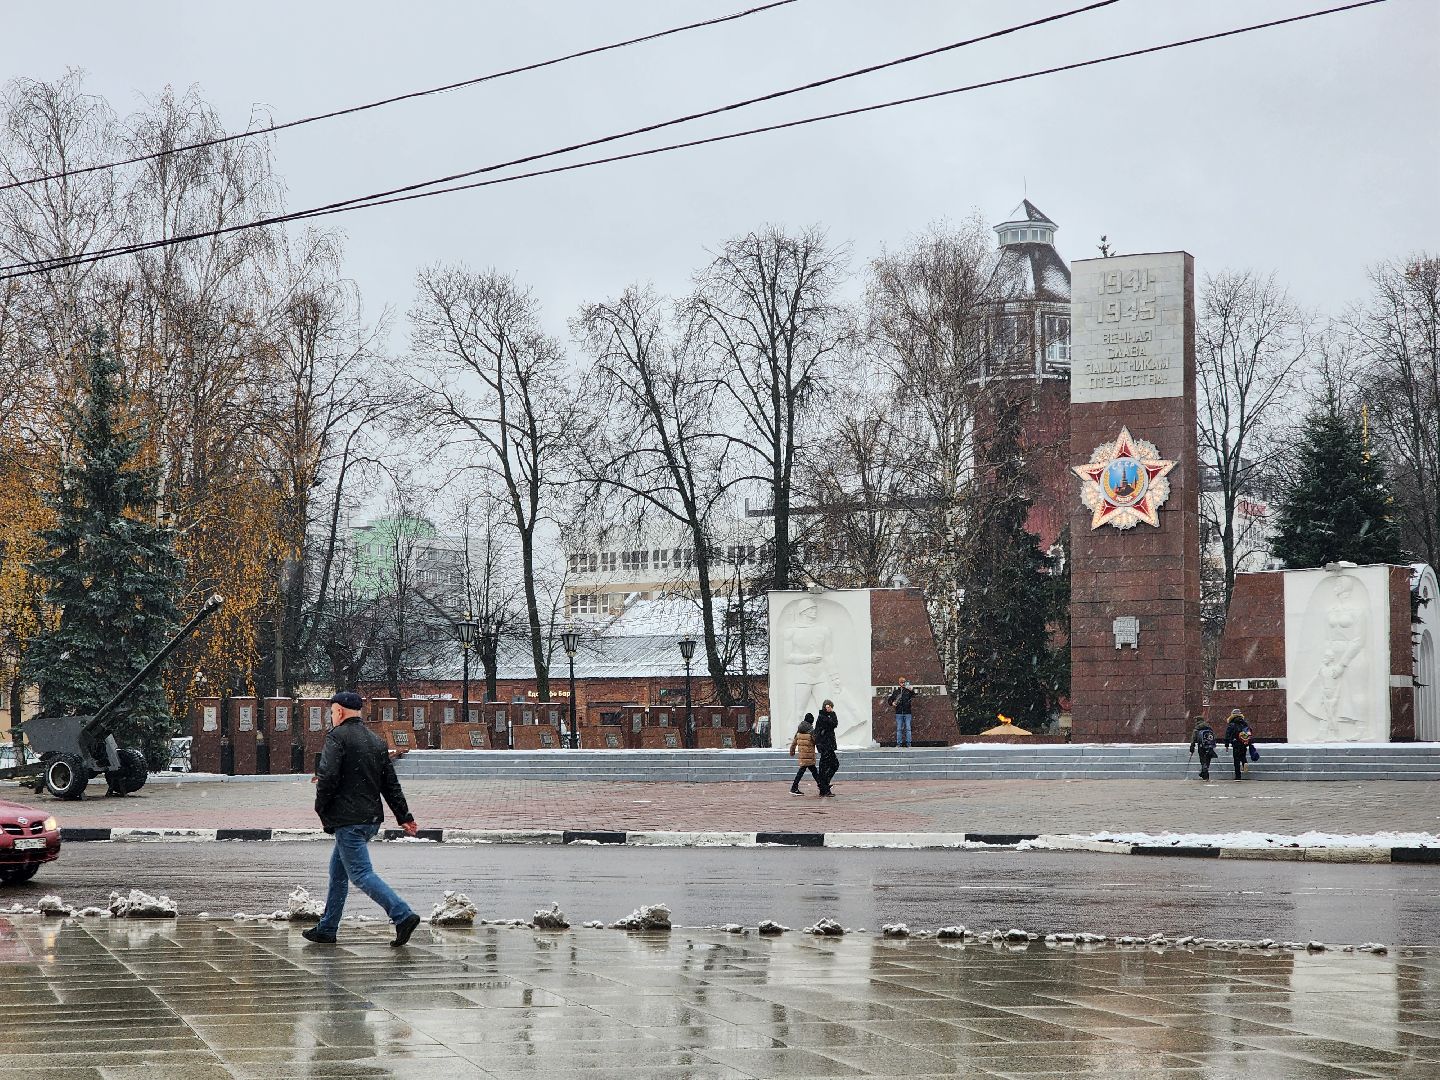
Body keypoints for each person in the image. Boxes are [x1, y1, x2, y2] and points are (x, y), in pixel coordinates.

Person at [303, 691, 422, 947]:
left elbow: (328, 777)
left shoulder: (337, 737)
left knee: (360, 874)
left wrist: (321, 808)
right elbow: (390, 784)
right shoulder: (375, 741)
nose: (332, 715)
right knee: (338, 873)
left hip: (349, 820)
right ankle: (327, 928)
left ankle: (403, 915)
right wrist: (404, 816)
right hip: (369, 819)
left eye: (332, 711)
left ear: (340, 711)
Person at [787, 713, 829, 796]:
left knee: (810, 771)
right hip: (809, 755)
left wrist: (792, 751)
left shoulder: (799, 731)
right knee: (810, 772)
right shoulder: (811, 731)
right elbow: (816, 741)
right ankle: (794, 787)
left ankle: (822, 787)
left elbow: (794, 742)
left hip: (803, 755)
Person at [814, 699, 839, 797]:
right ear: (824, 707)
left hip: (829, 745)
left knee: (834, 765)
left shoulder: (831, 715)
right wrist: (829, 715)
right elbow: (830, 724)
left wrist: (831, 714)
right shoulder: (821, 716)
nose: (830, 708)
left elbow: (835, 724)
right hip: (824, 745)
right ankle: (824, 788)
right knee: (824, 767)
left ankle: (824, 785)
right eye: (828, 706)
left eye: (831, 707)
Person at [1222, 708, 1252, 782]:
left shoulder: (1232, 724)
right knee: (1242, 755)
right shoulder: (1244, 723)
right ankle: (1245, 762)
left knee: (1236, 760)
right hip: (1243, 742)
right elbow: (1248, 732)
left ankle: (1238, 776)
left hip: (1235, 743)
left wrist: (1226, 744)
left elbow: (1227, 734)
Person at [887, 678, 916, 748]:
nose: (902, 683)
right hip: (899, 713)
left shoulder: (908, 691)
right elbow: (889, 700)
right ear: (899, 683)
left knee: (908, 729)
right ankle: (899, 744)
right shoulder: (896, 692)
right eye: (901, 682)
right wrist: (892, 703)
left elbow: (914, 695)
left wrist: (912, 690)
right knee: (899, 729)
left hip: (907, 713)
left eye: (904, 682)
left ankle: (909, 743)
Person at [1188, 715, 1217, 781]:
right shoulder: (1209, 727)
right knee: (1207, 760)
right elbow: (1213, 736)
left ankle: (1205, 776)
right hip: (1209, 746)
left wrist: (1192, 748)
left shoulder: (1197, 728)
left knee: (1203, 760)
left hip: (1201, 746)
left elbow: (1193, 739)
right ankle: (1204, 773)